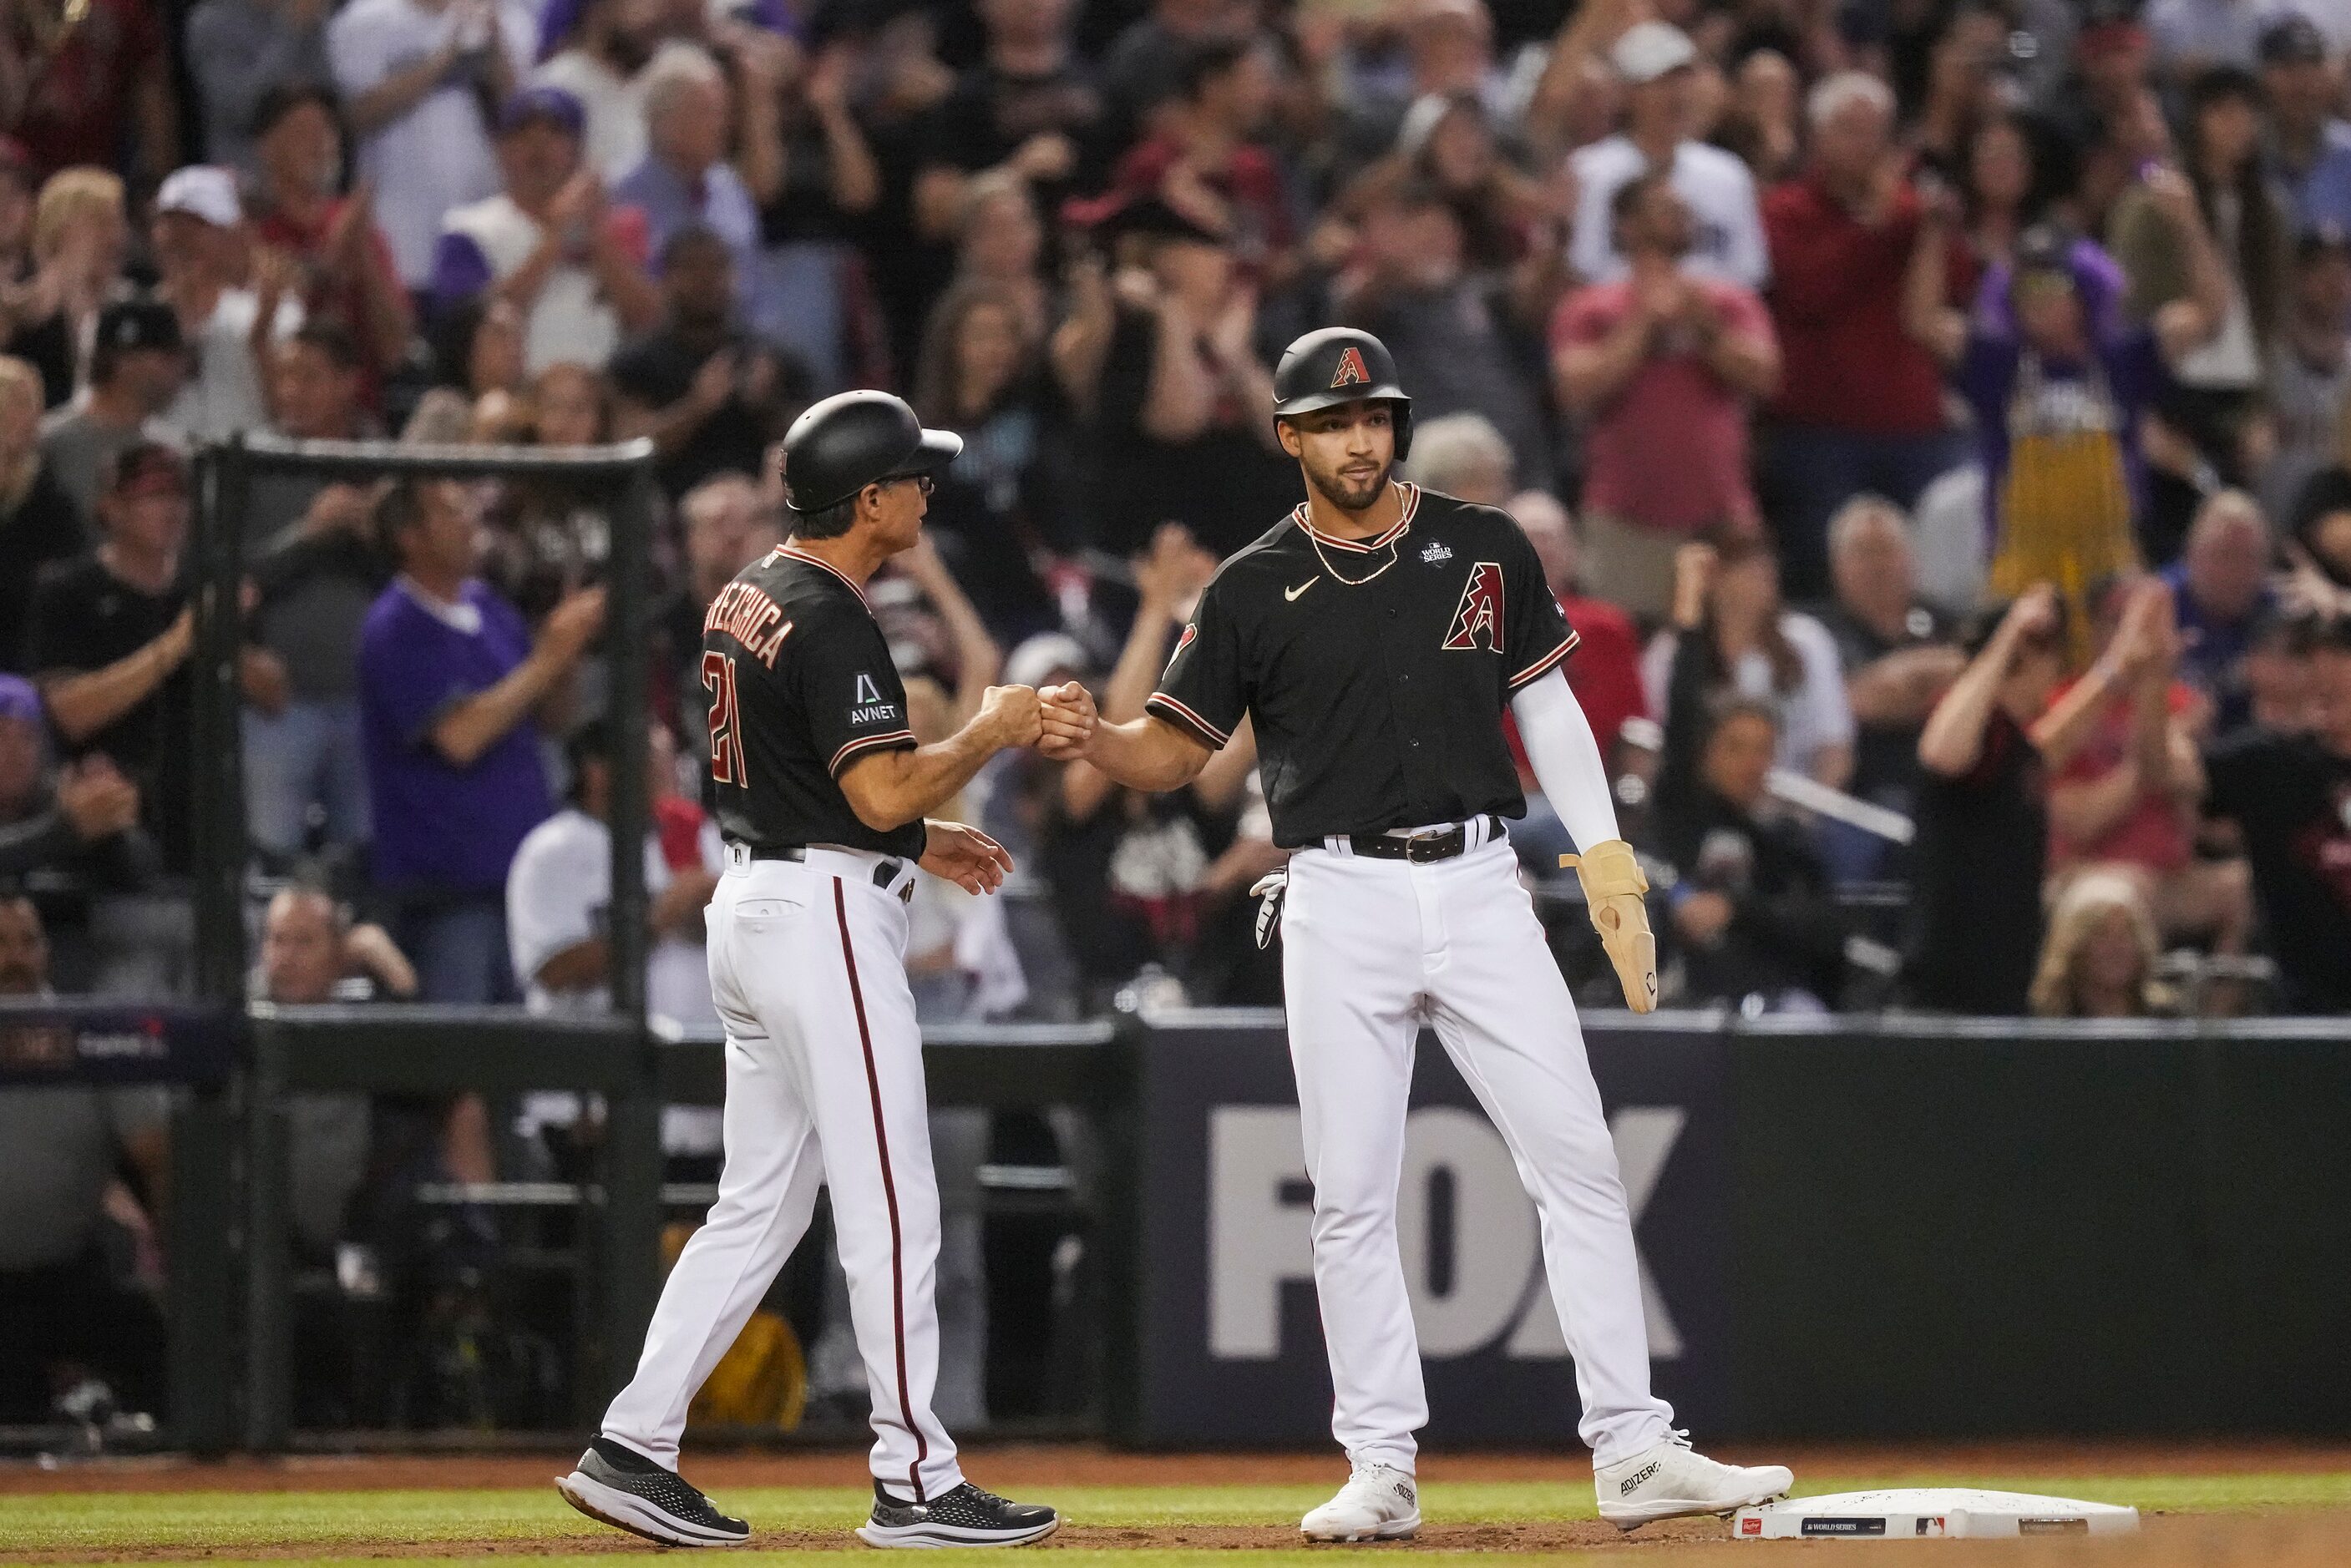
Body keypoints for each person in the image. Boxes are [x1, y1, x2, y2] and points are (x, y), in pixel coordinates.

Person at [1034, 328, 1789, 1535]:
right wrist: (1099, 740)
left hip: (1481, 877)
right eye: (1333, 422)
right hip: (1336, 893)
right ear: (1288, 437)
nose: (1358, 438)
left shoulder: (1479, 545)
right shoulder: (1246, 584)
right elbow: (1173, 747)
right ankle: (1379, 1464)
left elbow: (1543, 698)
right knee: (1346, 1192)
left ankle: (1633, 1447)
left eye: (1373, 417)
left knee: (1579, 1157)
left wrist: (1601, 853)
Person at [559, 390, 1059, 1549]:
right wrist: (989, 730)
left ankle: (631, 1443)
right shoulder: (827, 608)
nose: (926, 492)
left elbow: (817, 782)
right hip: (821, 915)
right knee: (893, 1197)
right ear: (868, 497)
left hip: (763, 895)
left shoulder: (751, 589)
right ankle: (914, 1477)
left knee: (759, 1205)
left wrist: (913, 839)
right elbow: (877, 786)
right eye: (912, 477)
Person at [1906, 206, 2227, 660]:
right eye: (2023, 287)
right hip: (2022, 571)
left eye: (2050, 284)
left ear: (2085, 290)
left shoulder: (2122, 360)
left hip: (2111, 569)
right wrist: (1933, 233)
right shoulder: (1997, 365)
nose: (2034, 299)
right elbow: (1922, 321)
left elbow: (2210, 315)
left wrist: (2187, 220)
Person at [358, 478, 603, 1003]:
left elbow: (551, 719)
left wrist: (567, 655)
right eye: (450, 511)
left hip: (520, 882)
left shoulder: (489, 607)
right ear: (410, 536)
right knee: (465, 1060)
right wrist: (547, 659)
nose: (471, 520)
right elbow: (460, 738)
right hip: (449, 892)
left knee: (527, 1062)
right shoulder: (394, 626)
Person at [1908, 584, 2159, 1014]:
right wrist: (2009, 637)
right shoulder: (1972, 734)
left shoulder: (2013, 746)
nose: (2056, 672)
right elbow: (1941, 753)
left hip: (2006, 981)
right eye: (2048, 656)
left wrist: (2119, 667)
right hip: (1948, 991)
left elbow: (2052, 743)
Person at [1761, 73, 1963, 598]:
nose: (1865, 144)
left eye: (1876, 131)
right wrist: (1878, 223)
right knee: (1826, 576)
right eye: (1848, 129)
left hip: (1914, 428)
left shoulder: (1917, 212)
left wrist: (1929, 229)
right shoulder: (1786, 211)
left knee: (1936, 571)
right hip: (1820, 433)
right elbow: (1808, 289)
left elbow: (1959, 290)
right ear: (1817, 136)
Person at [1553, 172, 1779, 621]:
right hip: (1624, 522)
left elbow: (1766, 378)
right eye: (1663, 208)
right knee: (1626, 652)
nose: (1679, 217)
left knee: (1734, 649)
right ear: (1626, 226)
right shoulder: (1590, 308)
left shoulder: (1728, 301)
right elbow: (1574, 391)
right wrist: (1642, 324)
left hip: (1722, 517)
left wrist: (1705, 328)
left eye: (1683, 209)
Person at [507, 718, 723, 1165]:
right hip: (593, 1113)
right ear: (598, 770)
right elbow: (555, 970)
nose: (668, 772)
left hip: (699, 1114)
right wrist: (656, 919)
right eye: (653, 759)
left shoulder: (698, 837)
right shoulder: (553, 851)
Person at [0, 896, 170, 1424]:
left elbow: (160, 1159)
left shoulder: (89, 1035)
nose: (16, 958)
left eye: (29, 942)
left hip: (68, 1270)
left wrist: (171, 1273)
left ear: (48, 952)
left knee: (158, 1342)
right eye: (0, 944)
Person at [244, 325, 387, 863]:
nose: (291, 391)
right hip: (279, 708)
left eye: (309, 377)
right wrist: (307, 535)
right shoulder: (254, 462)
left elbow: (417, 579)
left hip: (367, 705)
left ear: (350, 383)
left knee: (364, 864)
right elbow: (227, 575)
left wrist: (377, 538)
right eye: (284, 377)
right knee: (268, 864)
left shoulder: (384, 462)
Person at [431, 88, 658, 376]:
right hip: (512, 404)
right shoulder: (468, 229)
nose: (538, 143)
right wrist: (552, 241)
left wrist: (598, 241)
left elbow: (651, 321)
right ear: (501, 148)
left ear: (578, 150)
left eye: (555, 132)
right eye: (522, 132)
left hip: (600, 403)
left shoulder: (618, 229)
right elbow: (463, 333)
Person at [1651, 695, 1846, 1010]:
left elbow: (1824, 928)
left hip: (1772, 1000)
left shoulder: (1786, 840)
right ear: (1705, 752)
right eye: (1735, 748)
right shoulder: (1670, 828)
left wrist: (1737, 911)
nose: (1752, 764)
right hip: (1675, 998)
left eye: (1763, 750)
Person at [2201, 614, 2351, 1010]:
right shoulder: (2268, 763)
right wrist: (2147, 686)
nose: (2329, 677)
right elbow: (2174, 786)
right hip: (2303, 1009)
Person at [327, 0, 534, 289]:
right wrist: (444, 58)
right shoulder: (365, 19)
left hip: (482, 224)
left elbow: (524, 120)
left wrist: (495, 44)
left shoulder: (507, 19)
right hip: (400, 231)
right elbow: (356, 115)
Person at [1811, 497, 1963, 876]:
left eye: (1887, 551)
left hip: (1947, 788)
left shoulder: (1947, 622)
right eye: (1863, 553)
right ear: (1837, 567)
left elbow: (1974, 685)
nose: (1877, 565)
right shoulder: (1819, 632)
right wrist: (1931, 681)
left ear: (1911, 560)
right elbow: (1859, 701)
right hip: (1857, 800)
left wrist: (1898, 684)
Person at [243, 83, 414, 405]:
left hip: (357, 422)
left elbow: (395, 349)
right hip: (274, 414)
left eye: (328, 131)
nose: (320, 143)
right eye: (304, 131)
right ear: (267, 146)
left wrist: (361, 254)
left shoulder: (359, 229)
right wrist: (334, 255)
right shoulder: (250, 231)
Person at [1642, 534, 1854, 791]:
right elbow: (1654, 740)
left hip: (1790, 804)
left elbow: (1834, 747)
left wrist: (1806, 822)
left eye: (1767, 565)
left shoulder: (1808, 641)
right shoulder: (1670, 651)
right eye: (1748, 566)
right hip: (1700, 803)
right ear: (1715, 578)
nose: (1764, 575)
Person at [1567, 21, 1768, 290]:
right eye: (1660, 82)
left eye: (1683, 81)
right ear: (1628, 92)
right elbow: (1584, 266)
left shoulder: (1728, 173)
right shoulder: (1589, 171)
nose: (1676, 95)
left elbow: (1750, 271)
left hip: (1710, 317)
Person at [153, 165, 296, 445]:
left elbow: (290, 415)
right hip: (166, 476)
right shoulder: (135, 314)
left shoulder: (276, 312)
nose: (181, 240)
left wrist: (259, 339)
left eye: (197, 226)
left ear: (235, 232)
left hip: (250, 472)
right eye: (171, 226)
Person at [612, 48, 761, 308]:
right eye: (706, 112)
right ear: (663, 121)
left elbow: (752, 285)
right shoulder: (620, 193)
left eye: (723, 112)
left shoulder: (730, 187)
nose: (721, 125)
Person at [38, 299, 185, 520]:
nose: (179, 369)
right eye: (167, 359)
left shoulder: (168, 449)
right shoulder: (51, 442)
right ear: (122, 362)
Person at [8, 168, 130, 410]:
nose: (116, 235)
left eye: (118, 221)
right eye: (101, 222)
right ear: (61, 229)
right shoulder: (17, 316)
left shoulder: (129, 312)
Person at [2162, 490, 2275, 731]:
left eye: (2251, 558)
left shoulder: (2278, 612)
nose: (2238, 573)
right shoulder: (2158, 606)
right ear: (2191, 555)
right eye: (2225, 555)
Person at [2263, 226, 2351, 530]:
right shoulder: (2267, 362)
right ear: (2296, 277)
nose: (2334, 279)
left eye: (2343, 268)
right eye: (2321, 268)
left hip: (2334, 541)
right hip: (2268, 536)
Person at [184, 0, 335, 171]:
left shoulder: (304, 14)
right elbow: (241, 108)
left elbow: (328, 97)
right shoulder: (212, 21)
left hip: (311, 176)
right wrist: (291, 30)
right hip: (246, 177)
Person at [0, 355, 81, 671]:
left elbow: (66, 575)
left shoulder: (46, 496)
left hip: (22, 656)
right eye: (19, 403)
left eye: (35, 403)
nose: (32, 415)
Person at [2028, 868, 2177, 1019]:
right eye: (2101, 935)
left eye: (2125, 935)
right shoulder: (2046, 1022)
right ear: (2073, 945)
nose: (2116, 948)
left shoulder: (2169, 1021)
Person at [2258, 15, 2351, 235]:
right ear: (2263, 77)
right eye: (2288, 68)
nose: (2301, 85)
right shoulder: (2246, 153)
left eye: (2310, 68)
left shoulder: (2346, 152)